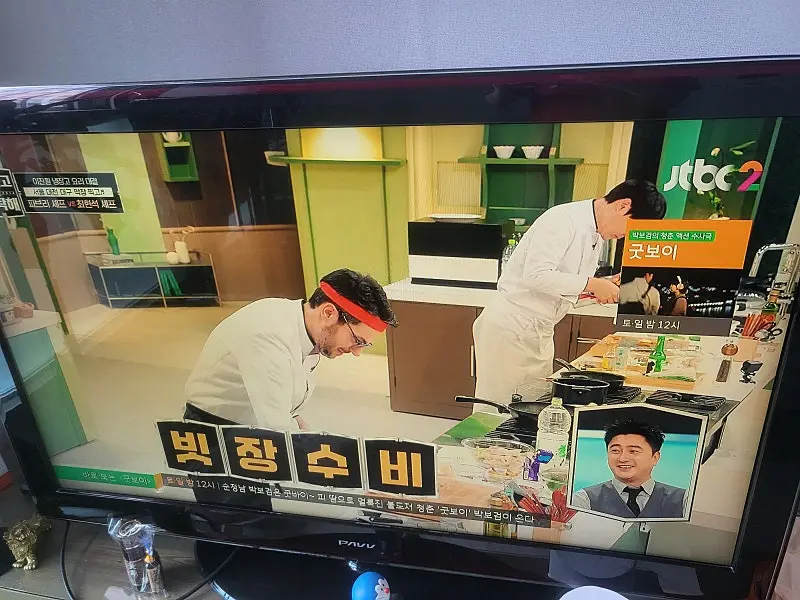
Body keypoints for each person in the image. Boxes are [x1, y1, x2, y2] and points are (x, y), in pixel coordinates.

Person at [472, 180, 667, 406]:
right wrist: (591, 284)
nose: (623, 236)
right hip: (511, 327)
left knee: (532, 403)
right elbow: (535, 275)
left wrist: (600, 286)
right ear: (623, 206)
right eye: (629, 228)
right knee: (498, 407)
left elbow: (562, 283)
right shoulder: (562, 220)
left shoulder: (596, 232)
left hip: (540, 330)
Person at [184, 268, 398, 430]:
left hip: (253, 423)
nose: (357, 352)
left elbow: (285, 408)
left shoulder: (310, 332)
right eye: (356, 340)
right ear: (328, 313)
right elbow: (276, 426)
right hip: (214, 429)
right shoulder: (268, 336)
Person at [572, 419, 688, 519]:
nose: (622, 458)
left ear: (655, 457)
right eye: (615, 451)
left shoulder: (684, 500)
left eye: (633, 451)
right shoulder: (584, 499)